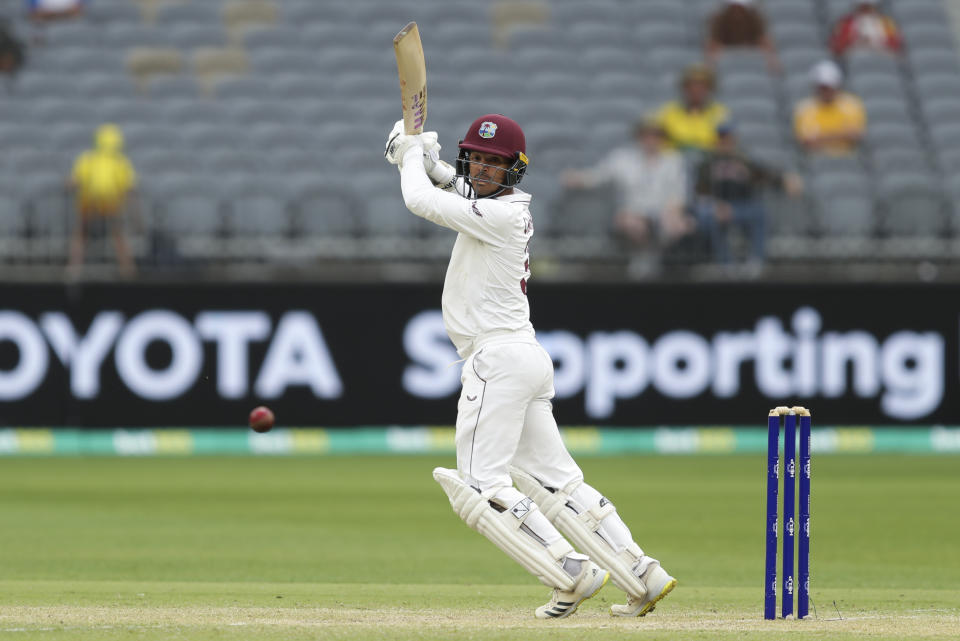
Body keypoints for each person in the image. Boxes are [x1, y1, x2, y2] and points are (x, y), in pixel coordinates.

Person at [384, 114, 677, 619]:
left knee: (479, 486)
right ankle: (642, 574)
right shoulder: (499, 206)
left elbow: (421, 201)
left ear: (514, 169)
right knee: (554, 483)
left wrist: (409, 156)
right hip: (523, 358)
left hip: (496, 361)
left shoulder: (500, 215)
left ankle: (569, 571)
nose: (480, 168)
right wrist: (421, 161)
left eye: (493, 162)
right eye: (475, 157)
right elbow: (448, 186)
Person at [562, 118, 691, 275]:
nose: (651, 140)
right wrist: (578, 178)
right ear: (639, 137)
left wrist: (671, 213)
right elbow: (599, 176)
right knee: (632, 224)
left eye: (656, 136)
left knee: (679, 225)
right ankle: (643, 260)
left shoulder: (673, 161)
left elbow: (679, 194)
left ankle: (659, 260)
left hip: (662, 214)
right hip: (632, 213)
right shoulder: (622, 159)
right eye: (646, 135)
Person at [695, 122, 803, 267]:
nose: (725, 143)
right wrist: (716, 205)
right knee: (713, 216)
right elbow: (700, 192)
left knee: (759, 212)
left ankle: (756, 262)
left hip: (743, 206)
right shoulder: (707, 163)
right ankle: (726, 264)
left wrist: (784, 180)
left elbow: (764, 175)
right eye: (722, 139)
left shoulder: (743, 160)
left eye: (728, 139)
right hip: (717, 207)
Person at [68, 123, 138, 278]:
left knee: (81, 233)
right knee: (118, 235)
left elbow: (74, 182)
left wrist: (67, 186)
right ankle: (127, 269)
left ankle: (74, 268)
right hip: (111, 203)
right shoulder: (121, 162)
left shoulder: (87, 159)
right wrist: (135, 216)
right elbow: (129, 188)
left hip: (89, 201)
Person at [794, 60, 866, 156]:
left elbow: (855, 135)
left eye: (829, 87)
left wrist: (821, 137)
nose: (826, 91)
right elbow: (807, 142)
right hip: (817, 159)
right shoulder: (805, 108)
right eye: (823, 87)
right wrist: (841, 135)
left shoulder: (851, 105)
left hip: (847, 158)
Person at [654, 64, 729, 152]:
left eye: (702, 87)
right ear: (684, 88)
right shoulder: (667, 112)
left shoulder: (720, 113)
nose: (696, 91)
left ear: (710, 90)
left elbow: (726, 143)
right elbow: (655, 141)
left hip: (707, 161)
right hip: (674, 161)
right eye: (691, 86)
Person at [705, 0, 780, 73]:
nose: (737, 10)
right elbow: (714, 43)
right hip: (727, 55)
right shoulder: (719, 18)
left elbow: (763, 39)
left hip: (751, 54)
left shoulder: (755, 17)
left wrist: (771, 59)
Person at [830, 0, 903, 57]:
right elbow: (838, 47)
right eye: (863, 8)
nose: (866, 11)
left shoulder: (886, 23)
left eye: (869, 7)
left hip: (882, 58)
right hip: (855, 58)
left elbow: (896, 46)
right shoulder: (847, 23)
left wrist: (876, 42)